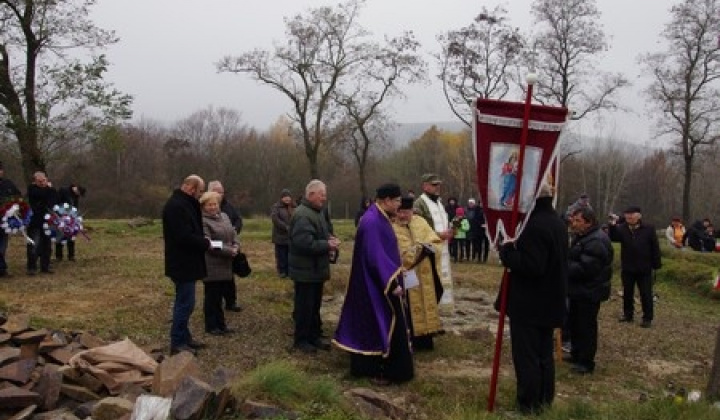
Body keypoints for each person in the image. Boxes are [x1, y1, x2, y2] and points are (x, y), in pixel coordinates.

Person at [497, 182, 568, 415]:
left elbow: (532, 265)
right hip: (548, 301)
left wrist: (507, 251)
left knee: (527, 356)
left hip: (530, 304)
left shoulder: (534, 225)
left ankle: (527, 405)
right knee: (543, 355)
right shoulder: (556, 221)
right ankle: (544, 400)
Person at [334, 183, 414, 384]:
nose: (398, 205)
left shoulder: (379, 216)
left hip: (378, 280)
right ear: (386, 200)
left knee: (384, 321)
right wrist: (392, 283)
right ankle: (384, 369)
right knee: (383, 322)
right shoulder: (372, 222)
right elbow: (374, 256)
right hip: (375, 284)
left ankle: (388, 368)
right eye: (396, 201)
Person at [289, 179, 340, 353]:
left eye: (325, 195)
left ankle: (314, 336)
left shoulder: (317, 212)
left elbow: (321, 235)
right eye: (321, 195)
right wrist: (327, 245)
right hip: (305, 271)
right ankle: (301, 340)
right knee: (305, 307)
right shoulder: (303, 214)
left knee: (314, 306)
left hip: (315, 269)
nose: (324, 198)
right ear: (311, 195)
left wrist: (330, 240)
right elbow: (304, 243)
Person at [162, 175, 211, 355]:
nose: (201, 194)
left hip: (188, 261)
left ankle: (185, 337)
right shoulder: (176, 207)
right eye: (199, 191)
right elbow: (183, 236)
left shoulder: (185, 204)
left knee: (186, 302)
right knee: (185, 303)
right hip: (182, 263)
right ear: (190, 188)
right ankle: (177, 342)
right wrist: (204, 242)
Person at [566, 207, 613, 375]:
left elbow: (587, 268)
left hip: (590, 290)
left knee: (586, 326)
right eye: (573, 220)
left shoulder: (596, 241)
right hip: (579, 290)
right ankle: (576, 353)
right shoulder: (582, 237)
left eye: (578, 221)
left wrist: (564, 267)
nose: (574, 223)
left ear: (588, 222)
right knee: (575, 323)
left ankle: (586, 361)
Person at [392, 196, 444, 350]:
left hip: (425, 274)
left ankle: (426, 338)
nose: (402, 215)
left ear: (411, 211)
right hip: (407, 275)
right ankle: (411, 340)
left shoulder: (420, 222)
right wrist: (413, 252)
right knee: (408, 308)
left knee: (426, 303)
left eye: (406, 212)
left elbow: (436, 241)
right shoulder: (391, 227)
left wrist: (430, 247)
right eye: (399, 212)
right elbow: (394, 252)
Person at [608, 206, 661, 328]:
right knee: (627, 292)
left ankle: (647, 318)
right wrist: (612, 225)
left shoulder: (648, 228)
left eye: (632, 215)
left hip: (644, 267)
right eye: (627, 215)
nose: (629, 217)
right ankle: (628, 314)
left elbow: (655, 247)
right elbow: (613, 238)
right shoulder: (622, 228)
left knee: (646, 293)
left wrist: (656, 264)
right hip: (628, 266)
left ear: (639, 216)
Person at [200, 191, 238, 336]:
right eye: (209, 204)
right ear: (203, 206)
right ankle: (211, 325)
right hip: (212, 263)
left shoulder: (224, 216)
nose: (213, 207)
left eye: (215, 204)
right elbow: (209, 243)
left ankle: (221, 324)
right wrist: (229, 250)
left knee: (221, 295)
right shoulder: (202, 221)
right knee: (212, 296)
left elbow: (233, 233)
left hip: (226, 263)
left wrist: (236, 245)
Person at [414, 173, 454, 304]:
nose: (438, 187)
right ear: (425, 186)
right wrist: (438, 235)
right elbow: (418, 227)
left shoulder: (439, 203)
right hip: (428, 249)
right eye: (434, 185)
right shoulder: (419, 204)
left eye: (439, 185)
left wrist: (450, 231)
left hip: (442, 247)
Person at [208, 180, 243, 312]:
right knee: (216, 281)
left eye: (221, 191)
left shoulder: (228, 206)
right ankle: (215, 307)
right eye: (217, 191)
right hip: (215, 250)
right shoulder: (204, 207)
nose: (220, 194)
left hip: (230, 246)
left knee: (230, 276)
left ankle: (231, 301)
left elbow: (238, 220)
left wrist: (234, 233)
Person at [26, 171, 57, 275]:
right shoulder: (32, 189)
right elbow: (40, 194)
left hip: (47, 221)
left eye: (44, 180)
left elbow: (53, 200)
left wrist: (49, 189)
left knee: (47, 245)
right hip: (35, 221)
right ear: (35, 182)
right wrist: (48, 189)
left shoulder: (51, 190)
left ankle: (45, 266)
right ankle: (31, 267)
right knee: (33, 244)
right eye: (39, 181)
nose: (42, 183)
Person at [0, 162, 22, 277]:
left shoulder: (8, 184)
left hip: (5, 221)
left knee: (2, 247)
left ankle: (2, 269)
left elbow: (18, 196)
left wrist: (15, 205)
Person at [54, 184, 86, 262]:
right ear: (76, 189)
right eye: (79, 193)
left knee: (71, 237)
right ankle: (58, 256)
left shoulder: (76, 196)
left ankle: (71, 256)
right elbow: (56, 202)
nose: (78, 196)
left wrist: (75, 216)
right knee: (60, 236)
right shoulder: (63, 190)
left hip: (71, 218)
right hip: (60, 216)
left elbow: (75, 207)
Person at [271, 188, 295, 278]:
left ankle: (289, 271)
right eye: (285, 197)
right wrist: (285, 227)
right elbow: (275, 219)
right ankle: (282, 271)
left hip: (290, 236)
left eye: (288, 197)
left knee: (289, 254)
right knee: (281, 255)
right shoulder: (276, 207)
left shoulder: (293, 207)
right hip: (279, 236)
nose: (287, 199)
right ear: (281, 198)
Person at [466, 198, 489, 263]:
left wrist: (487, 224)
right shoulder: (477, 210)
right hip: (479, 230)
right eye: (481, 203)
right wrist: (481, 224)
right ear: (479, 204)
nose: (482, 204)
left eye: (483, 203)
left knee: (486, 245)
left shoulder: (488, 210)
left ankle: (485, 258)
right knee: (479, 244)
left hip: (487, 230)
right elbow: (475, 219)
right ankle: (479, 258)